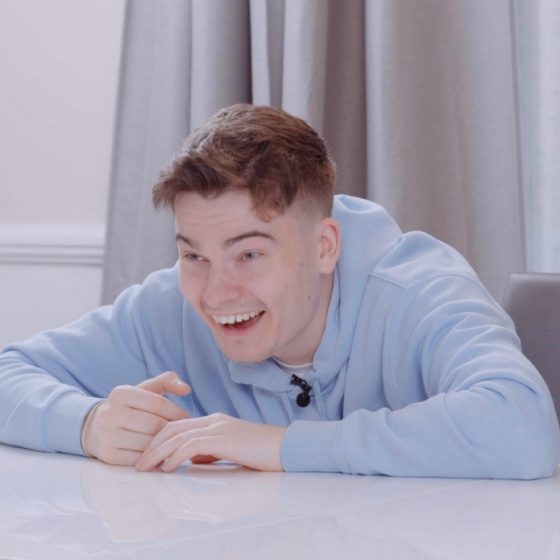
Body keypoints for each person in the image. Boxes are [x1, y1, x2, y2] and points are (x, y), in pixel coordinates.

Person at [0, 104, 558, 478]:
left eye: (249, 254)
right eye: (194, 254)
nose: (216, 293)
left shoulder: (419, 292)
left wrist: (276, 445)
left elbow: (521, 428)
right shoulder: (170, 304)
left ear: (325, 246)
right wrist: (89, 424)